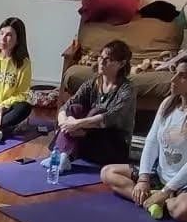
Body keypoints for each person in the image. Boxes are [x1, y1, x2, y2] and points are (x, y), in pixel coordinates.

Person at [101, 53, 187, 222]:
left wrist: (166, 191)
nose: (173, 79)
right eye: (175, 72)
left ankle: (157, 200)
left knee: (185, 211)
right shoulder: (168, 103)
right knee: (108, 172)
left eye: (182, 76)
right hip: (162, 175)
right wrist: (144, 178)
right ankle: (152, 200)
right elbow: (152, 141)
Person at [47, 39, 135, 172]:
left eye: (108, 59)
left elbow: (109, 118)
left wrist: (78, 124)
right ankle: (62, 156)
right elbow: (66, 106)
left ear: (122, 64)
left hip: (111, 145)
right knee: (73, 109)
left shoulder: (127, 89)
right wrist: (65, 123)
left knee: (97, 111)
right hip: (87, 138)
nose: (102, 62)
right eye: (101, 57)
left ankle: (63, 153)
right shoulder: (92, 83)